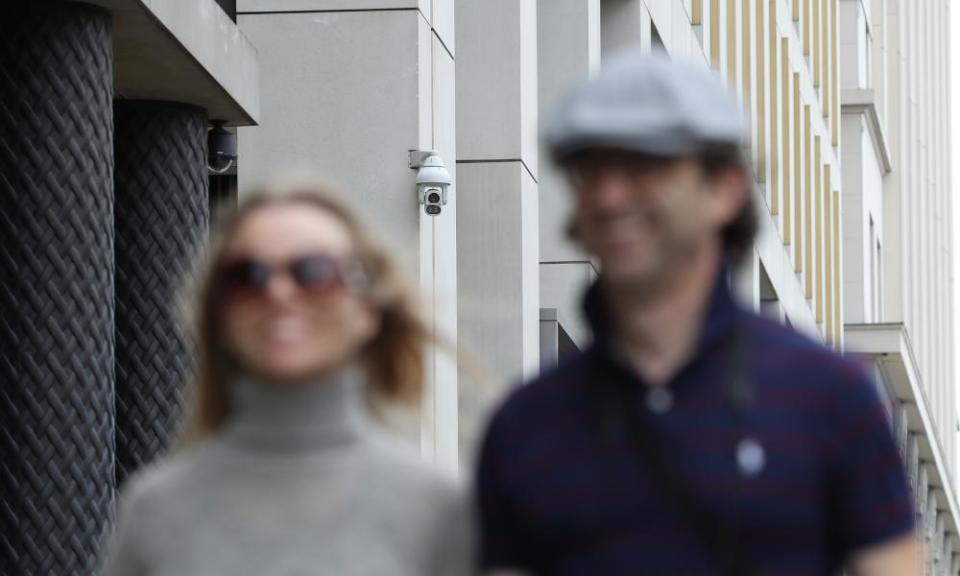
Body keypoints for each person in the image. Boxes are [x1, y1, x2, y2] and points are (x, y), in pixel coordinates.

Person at [475, 51, 917, 575]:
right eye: (591, 171)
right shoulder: (524, 426)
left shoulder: (833, 398)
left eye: (645, 165)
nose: (611, 196)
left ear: (725, 189)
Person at [100, 179, 469, 575]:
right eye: (248, 276)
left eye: (315, 273)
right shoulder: (154, 512)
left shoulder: (435, 509)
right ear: (219, 313)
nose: (278, 292)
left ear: (367, 311)